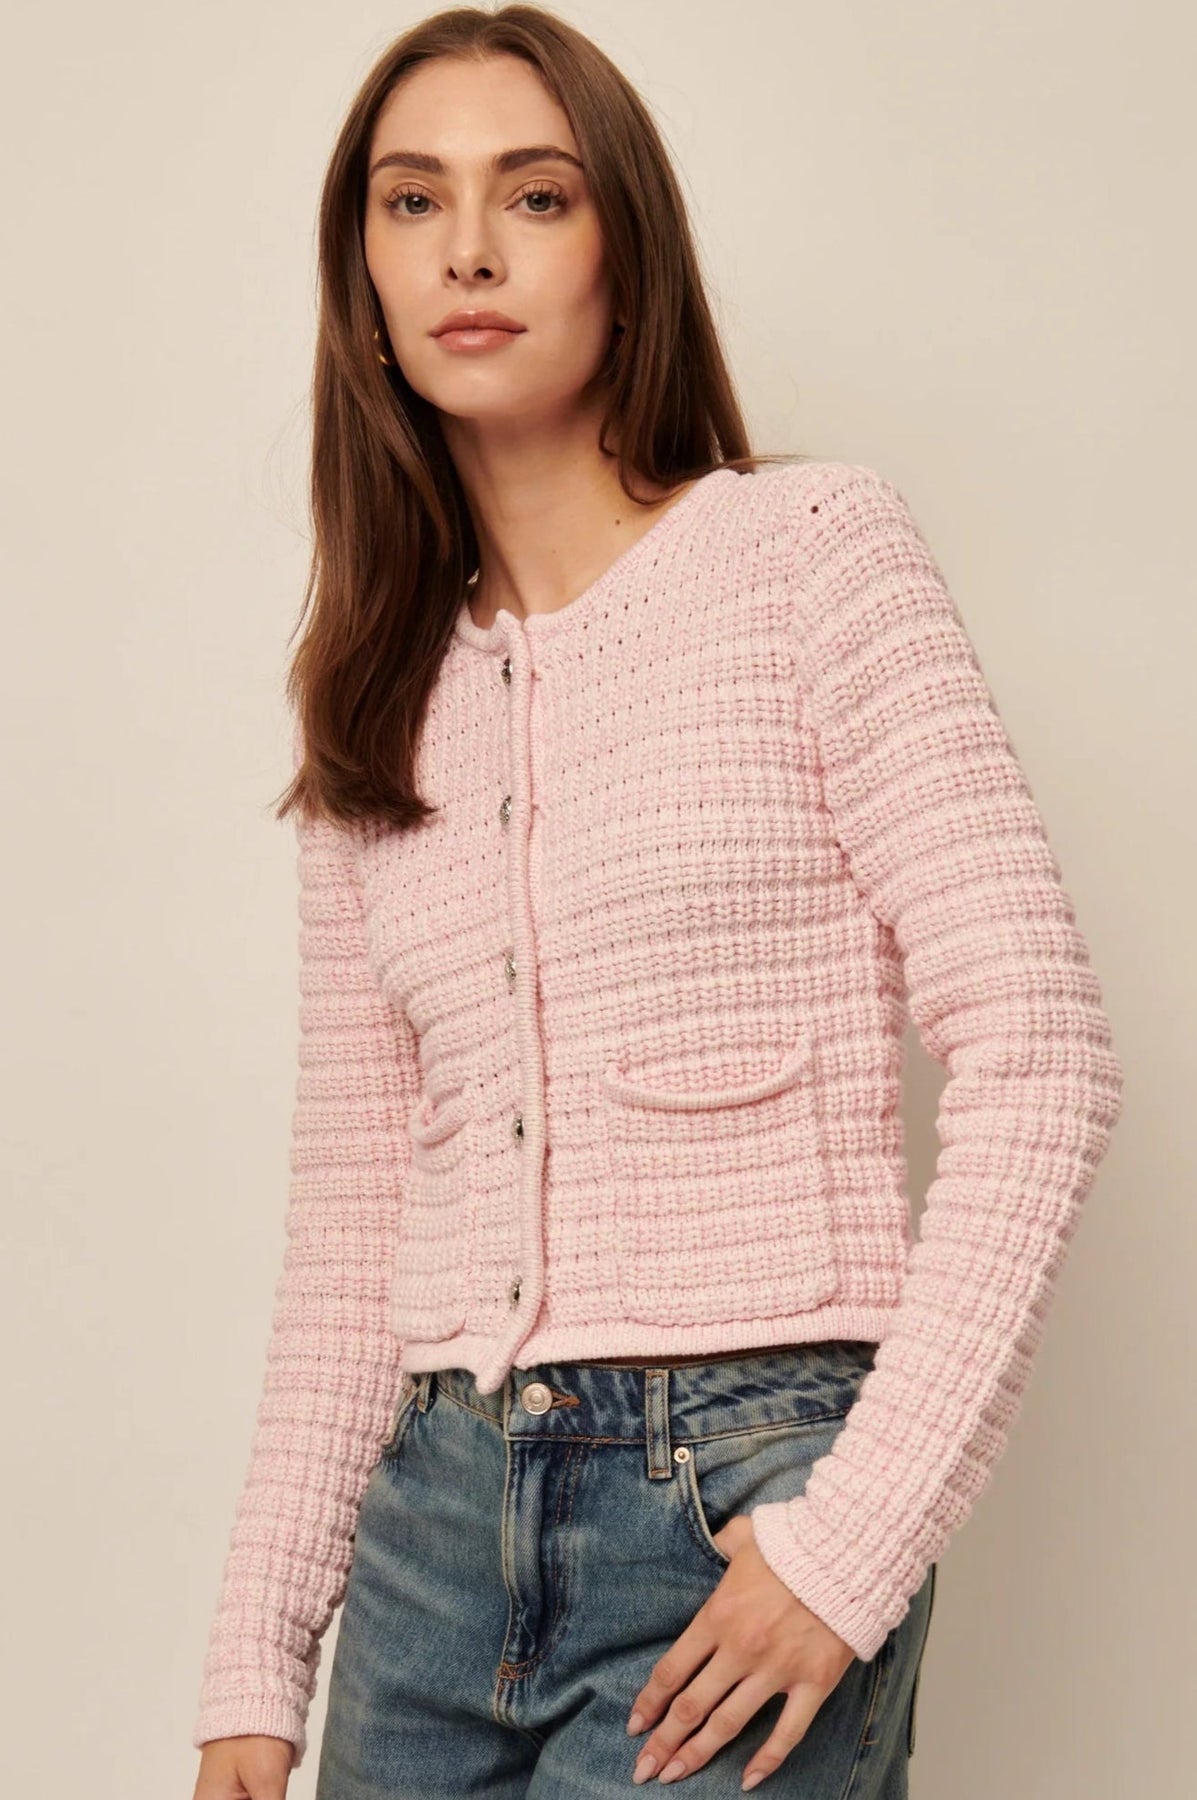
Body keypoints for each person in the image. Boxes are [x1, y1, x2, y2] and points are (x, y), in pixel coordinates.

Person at [189, 7, 1124, 1798]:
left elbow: (1042, 1059)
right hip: (427, 1531)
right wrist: (256, 1656)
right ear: (360, 280)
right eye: (411, 201)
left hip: (733, 1496)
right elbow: (352, 1220)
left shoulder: (811, 559)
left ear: (628, 255)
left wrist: (855, 1539)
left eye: (534, 196)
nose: (467, 249)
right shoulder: (375, 691)